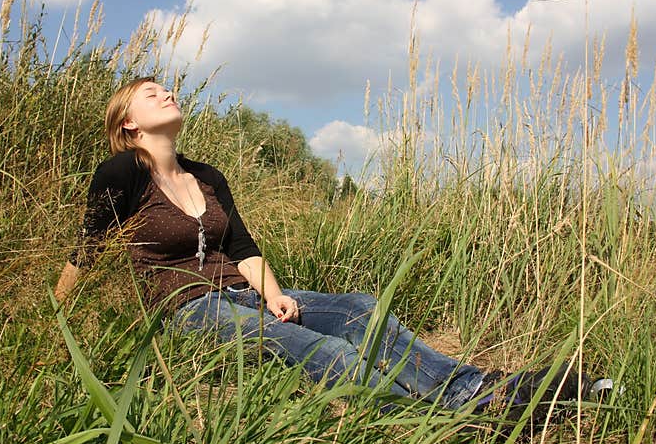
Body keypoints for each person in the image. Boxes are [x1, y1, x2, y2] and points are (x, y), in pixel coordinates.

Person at [54, 76, 604, 425]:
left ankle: (477, 391)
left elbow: (244, 248)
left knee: (358, 308)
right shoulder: (123, 171)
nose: (167, 93)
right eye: (151, 94)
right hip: (186, 309)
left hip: (242, 291)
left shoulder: (208, 174)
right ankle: (432, 419)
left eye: (167, 89)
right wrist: (58, 319)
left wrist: (272, 292)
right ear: (129, 121)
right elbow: (89, 249)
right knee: (313, 345)